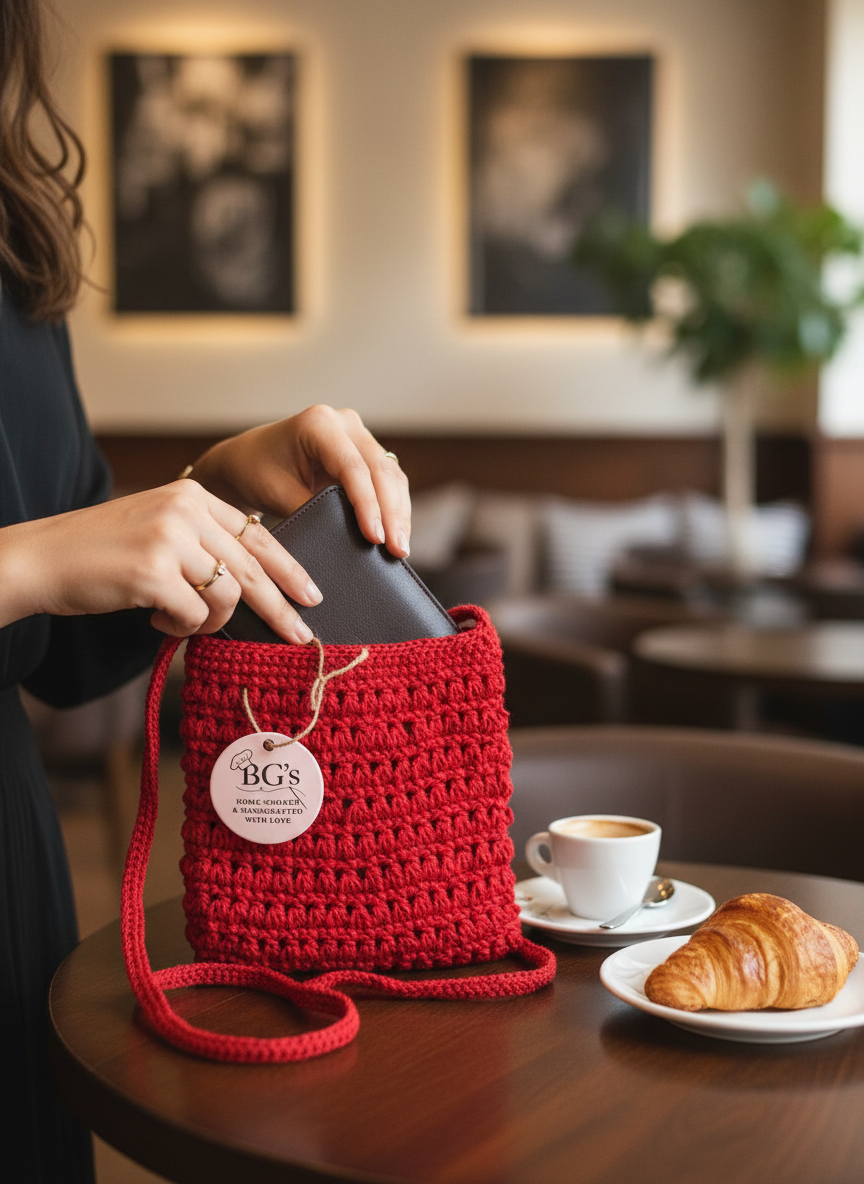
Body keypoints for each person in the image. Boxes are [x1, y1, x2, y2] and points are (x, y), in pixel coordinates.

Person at [0, 1, 410, 1180]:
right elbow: (32, 563)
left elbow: (65, 652)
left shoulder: (18, 228)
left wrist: (213, 488)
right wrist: (26, 562)